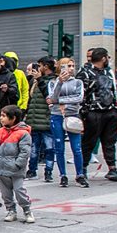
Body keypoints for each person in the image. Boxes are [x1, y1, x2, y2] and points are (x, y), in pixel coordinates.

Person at [78, 48, 117, 182]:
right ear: (103, 58)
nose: (108, 60)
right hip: (93, 112)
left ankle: (112, 168)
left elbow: (113, 90)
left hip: (110, 111)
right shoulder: (84, 73)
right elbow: (80, 94)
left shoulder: (109, 72)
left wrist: (115, 108)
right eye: (107, 57)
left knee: (110, 141)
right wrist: (84, 112)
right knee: (89, 141)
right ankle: (83, 168)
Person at [47, 57, 88, 188]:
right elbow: (52, 98)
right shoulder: (53, 82)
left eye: (72, 65)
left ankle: (80, 174)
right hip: (57, 115)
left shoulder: (78, 82)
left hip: (73, 115)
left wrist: (61, 101)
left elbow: (79, 98)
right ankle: (63, 175)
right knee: (59, 147)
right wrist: (59, 82)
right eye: (67, 66)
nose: (71, 68)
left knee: (77, 148)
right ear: (60, 67)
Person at [0, 105, 34, 223]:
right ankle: (11, 210)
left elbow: (25, 151)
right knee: (5, 193)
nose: (1, 118)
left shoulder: (23, 134)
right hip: (1, 167)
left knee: (19, 191)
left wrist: (18, 164)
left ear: (13, 118)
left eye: (4, 116)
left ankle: (27, 210)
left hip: (16, 169)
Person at [26, 57, 57, 182]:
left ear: (45, 66)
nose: (37, 69)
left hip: (46, 120)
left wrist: (39, 79)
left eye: (39, 66)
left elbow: (48, 96)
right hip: (34, 121)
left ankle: (48, 171)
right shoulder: (35, 81)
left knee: (49, 148)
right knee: (33, 149)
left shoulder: (53, 81)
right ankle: (32, 170)